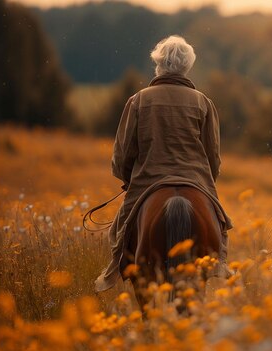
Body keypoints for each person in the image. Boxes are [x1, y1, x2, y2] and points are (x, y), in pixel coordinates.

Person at [94, 35, 232, 292]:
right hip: (195, 180)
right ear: (187, 65)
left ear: (158, 64)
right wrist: (206, 181)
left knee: (120, 232)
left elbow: (123, 154)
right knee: (221, 225)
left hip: (148, 180)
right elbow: (213, 156)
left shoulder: (138, 100)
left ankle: (114, 268)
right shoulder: (204, 102)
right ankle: (220, 264)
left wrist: (127, 179)